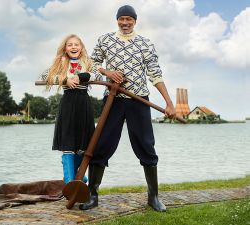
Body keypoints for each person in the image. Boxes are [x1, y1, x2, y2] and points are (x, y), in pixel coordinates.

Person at [79, 5, 176, 212]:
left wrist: (169, 103)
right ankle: (92, 195)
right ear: (117, 20)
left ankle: (153, 197)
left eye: (129, 19)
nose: (125, 23)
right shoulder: (105, 40)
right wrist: (108, 72)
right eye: (121, 19)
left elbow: (155, 74)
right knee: (101, 145)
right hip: (112, 101)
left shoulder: (145, 44)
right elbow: (91, 63)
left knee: (146, 146)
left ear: (135, 21)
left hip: (139, 100)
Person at [44, 34, 102, 185]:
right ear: (65, 48)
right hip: (68, 104)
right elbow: (46, 76)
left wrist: (82, 76)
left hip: (84, 104)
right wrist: (64, 79)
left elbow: (99, 76)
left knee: (84, 145)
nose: (74, 47)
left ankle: (78, 176)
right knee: (68, 144)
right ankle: (70, 183)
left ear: (81, 48)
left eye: (77, 44)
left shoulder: (88, 62)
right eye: (70, 45)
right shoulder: (61, 63)